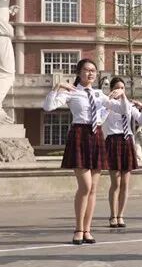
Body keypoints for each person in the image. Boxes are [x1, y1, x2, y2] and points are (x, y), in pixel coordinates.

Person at [43, 59, 115, 245]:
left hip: (96, 134)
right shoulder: (72, 92)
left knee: (93, 189)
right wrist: (57, 87)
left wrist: (121, 96)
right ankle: (78, 228)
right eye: (86, 70)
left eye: (93, 71)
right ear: (79, 72)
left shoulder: (99, 94)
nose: (90, 73)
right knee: (85, 186)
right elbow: (48, 107)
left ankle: (87, 230)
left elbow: (117, 109)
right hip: (79, 134)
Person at [103, 77, 142, 229]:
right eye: (117, 88)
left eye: (122, 88)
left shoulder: (129, 105)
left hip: (127, 140)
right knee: (115, 183)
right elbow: (100, 118)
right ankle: (113, 215)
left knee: (125, 183)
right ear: (111, 89)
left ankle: (121, 215)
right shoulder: (107, 104)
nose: (120, 90)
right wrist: (108, 100)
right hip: (113, 140)